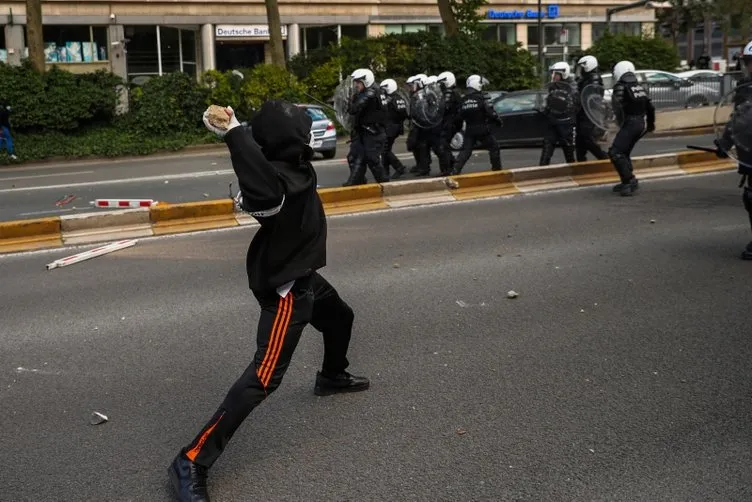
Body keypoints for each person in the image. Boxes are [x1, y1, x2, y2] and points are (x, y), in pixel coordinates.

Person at [169, 101, 370, 502]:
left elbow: (263, 150)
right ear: (287, 141)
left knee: (340, 318)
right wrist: (233, 134)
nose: (305, 128)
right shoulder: (279, 182)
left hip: (305, 273)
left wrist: (238, 128)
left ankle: (331, 376)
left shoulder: (291, 163)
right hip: (287, 290)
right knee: (263, 378)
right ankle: (191, 460)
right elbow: (262, 187)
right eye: (298, 125)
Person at [715, 40, 752, 260]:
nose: (751, 66)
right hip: (750, 149)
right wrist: (725, 143)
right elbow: (737, 120)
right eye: (749, 62)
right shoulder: (744, 89)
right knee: (750, 197)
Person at [608, 60, 655, 197]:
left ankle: (629, 181)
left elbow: (616, 108)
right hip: (640, 122)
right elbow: (650, 107)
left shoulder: (620, 87)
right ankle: (627, 180)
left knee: (616, 152)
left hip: (630, 123)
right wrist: (651, 124)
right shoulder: (638, 87)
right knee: (624, 152)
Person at [342, 68, 389, 186]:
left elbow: (354, 108)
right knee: (354, 157)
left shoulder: (371, 92)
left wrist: (349, 102)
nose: (356, 85)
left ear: (366, 81)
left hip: (373, 132)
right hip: (363, 131)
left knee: (372, 159)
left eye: (358, 82)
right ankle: (357, 182)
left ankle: (385, 184)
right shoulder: (368, 92)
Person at [452, 74, 502, 175]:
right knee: (494, 147)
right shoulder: (483, 97)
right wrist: (498, 121)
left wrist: (457, 127)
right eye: (480, 83)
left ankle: (455, 170)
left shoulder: (464, 99)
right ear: (476, 84)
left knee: (465, 151)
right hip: (483, 128)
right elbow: (490, 112)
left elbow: (459, 116)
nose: (481, 85)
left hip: (470, 129)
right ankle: (497, 170)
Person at [539, 62, 578, 166]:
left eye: (556, 74)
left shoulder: (572, 88)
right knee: (547, 144)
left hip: (566, 123)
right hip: (553, 121)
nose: (554, 76)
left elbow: (575, 104)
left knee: (568, 148)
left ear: (563, 74)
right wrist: (544, 109)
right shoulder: (552, 87)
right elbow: (549, 103)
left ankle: (572, 168)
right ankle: (542, 168)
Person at [412, 74, 451, 176]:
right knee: (424, 147)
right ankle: (425, 168)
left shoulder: (436, 96)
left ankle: (446, 169)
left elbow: (435, 111)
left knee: (438, 148)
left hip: (434, 126)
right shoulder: (429, 95)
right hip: (427, 126)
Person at [574, 56, 608, 162]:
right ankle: (581, 161)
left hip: (589, 113)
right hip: (583, 112)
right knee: (580, 140)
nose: (580, 71)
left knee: (586, 137)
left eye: (582, 67)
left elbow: (593, 96)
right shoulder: (587, 79)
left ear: (588, 66)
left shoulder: (594, 79)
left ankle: (603, 157)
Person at [380, 78, 409, 179]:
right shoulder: (397, 98)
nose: (382, 90)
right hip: (392, 127)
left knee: (384, 150)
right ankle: (385, 172)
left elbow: (401, 114)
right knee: (386, 150)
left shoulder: (392, 99)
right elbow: (404, 114)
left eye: (384, 88)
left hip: (391, 128)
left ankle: (399, 167)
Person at [438, 71, 463, 174]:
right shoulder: (454, 93)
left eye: (441, 83)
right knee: (445, 145)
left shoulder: (449, 94)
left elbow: (445, 108)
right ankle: (452, 164)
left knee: (443, 145)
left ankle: (447, 169)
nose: (440, 85)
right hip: (451, 122)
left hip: (450, 123)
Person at [405, 74, 430, 174]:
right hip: (415, 124)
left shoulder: (422, 95)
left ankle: (424, 167)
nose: (410, 88)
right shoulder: (415, 95)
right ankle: (420, 165)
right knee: (414, 145)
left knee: (422, 146)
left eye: (412, 85)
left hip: (421, 125)